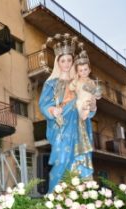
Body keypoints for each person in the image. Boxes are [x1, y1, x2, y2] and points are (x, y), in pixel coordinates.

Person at [39, 34, 95, 192]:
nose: (66, 64)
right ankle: (56, 197)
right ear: (57, 62)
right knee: (61, 160)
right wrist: (52, 110)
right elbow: (44, 104)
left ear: (73, 62)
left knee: (79, 158)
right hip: (61, 127)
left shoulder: (79, 82)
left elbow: (87, 104)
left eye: (69, 60)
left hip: (79, 127)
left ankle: (80, 198)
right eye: (62, 60)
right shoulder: (50, 84)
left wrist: (91, 106)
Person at [69, 49, 101, 121]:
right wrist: (75, 81)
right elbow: (70, 88)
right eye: (81, 70)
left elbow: (96, 94)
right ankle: (83, 113)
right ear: (77, 72)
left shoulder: (91, 82)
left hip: (90, 104)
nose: (83, 72)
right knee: (80, 103)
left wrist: (97, 94)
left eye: (85, 69)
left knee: (90, 101)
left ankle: (87, 111)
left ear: (89, 70)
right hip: (80, 103)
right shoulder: (77, 81)